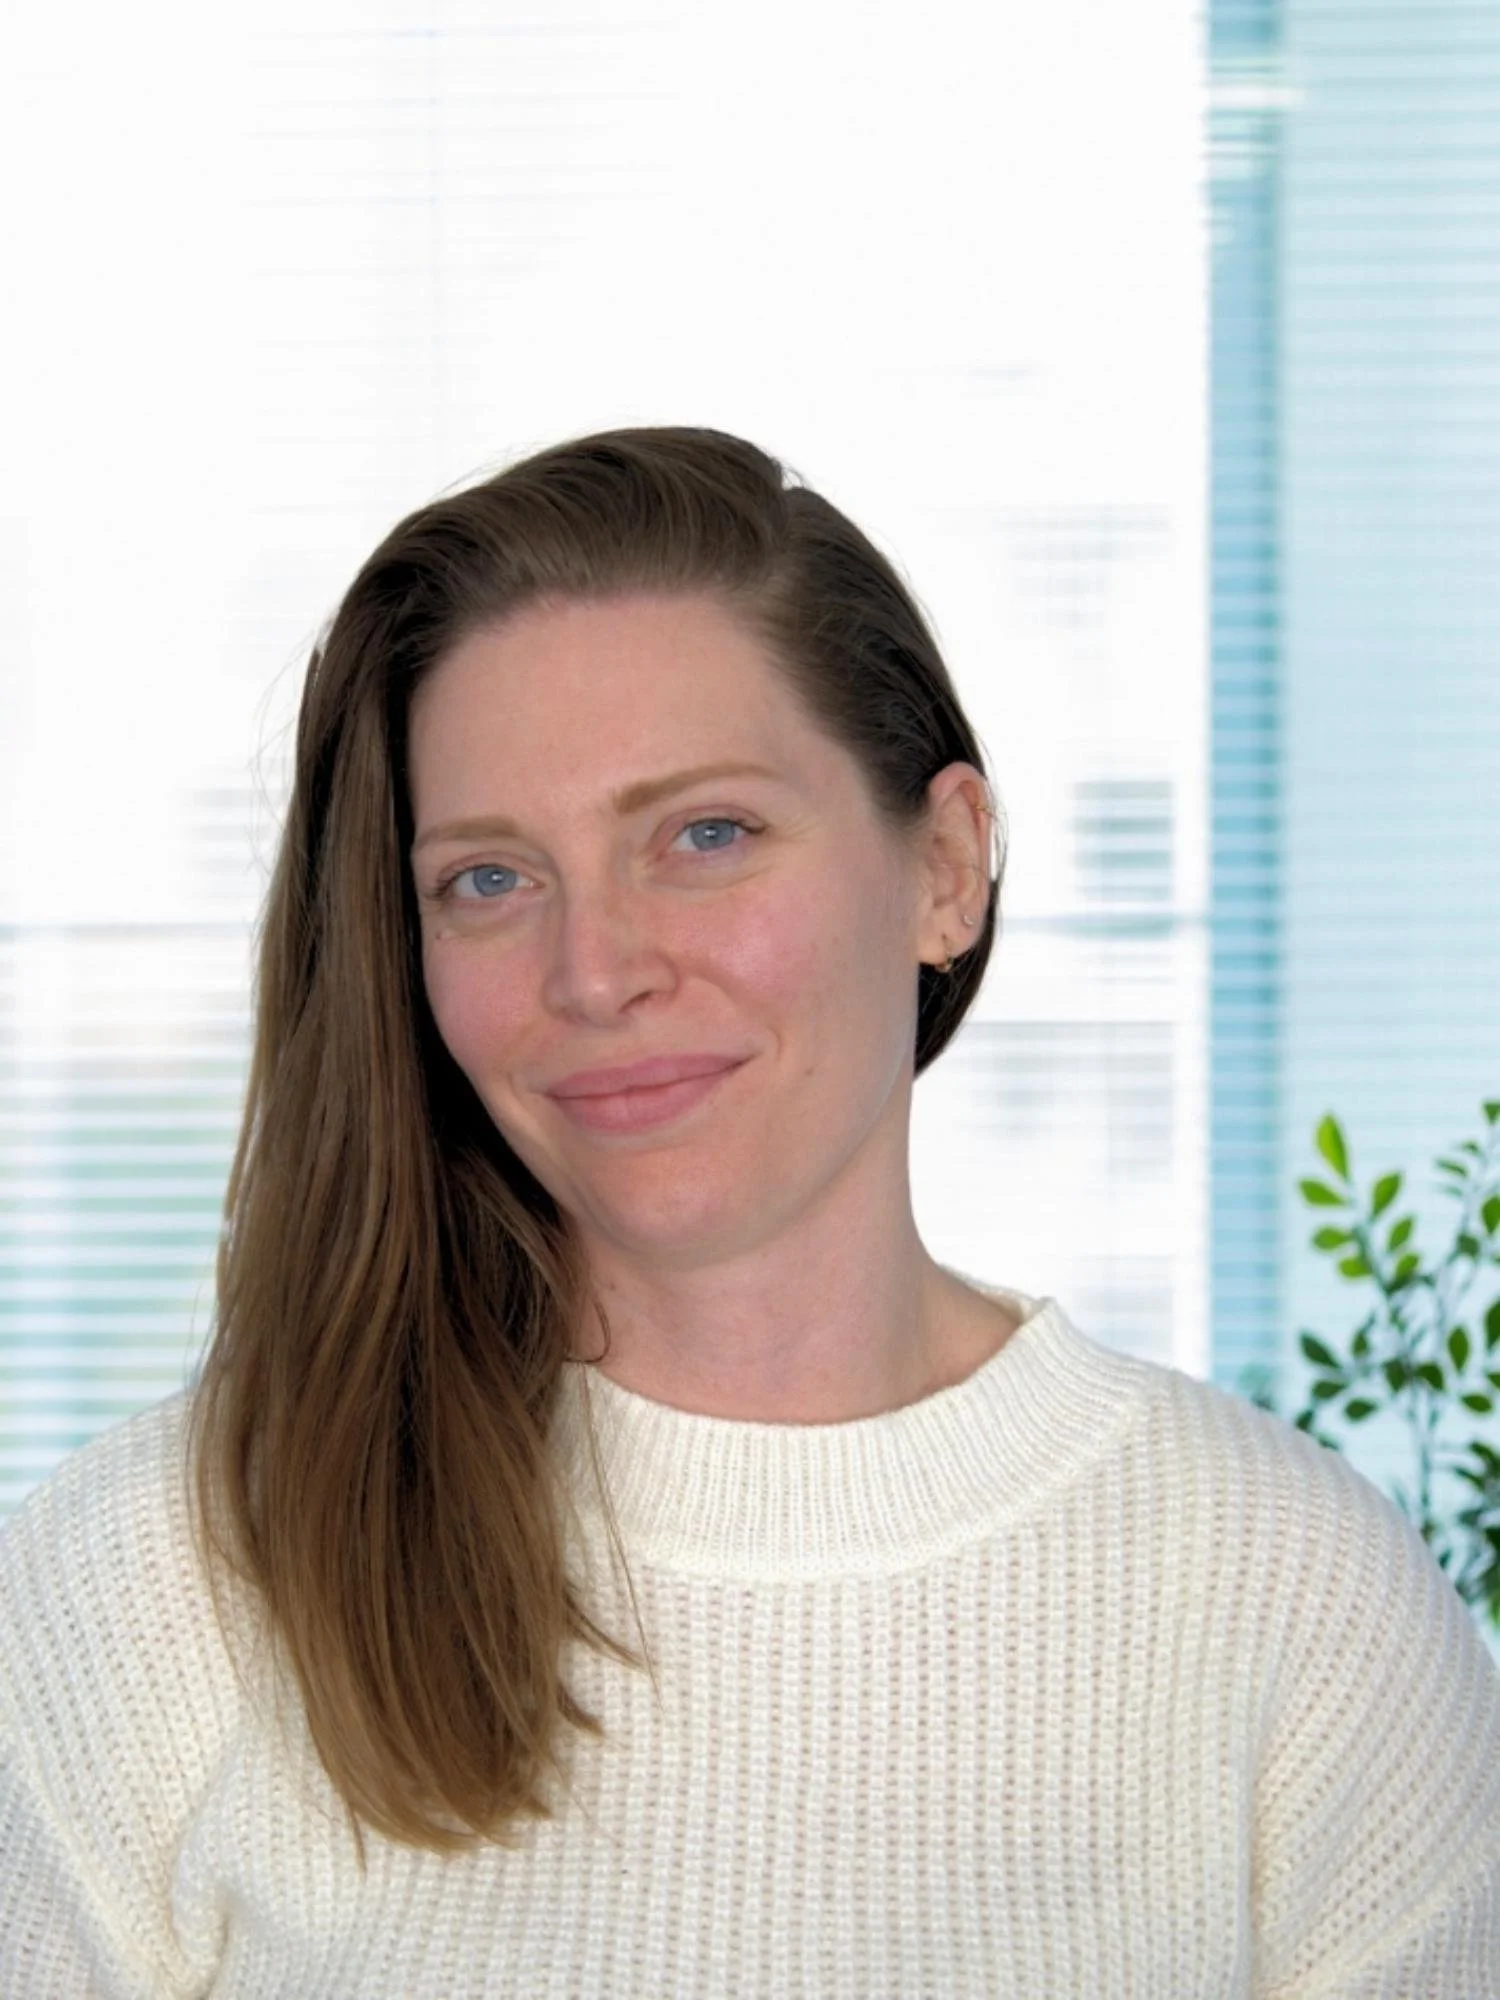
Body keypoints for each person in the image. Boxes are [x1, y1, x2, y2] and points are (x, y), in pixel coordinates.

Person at [1, 426, 1497, 1999]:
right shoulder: (159, 1578)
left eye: (705, 836)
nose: (596, 970)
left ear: (947, 865)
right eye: (489, 880)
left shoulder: (1295, 1607)